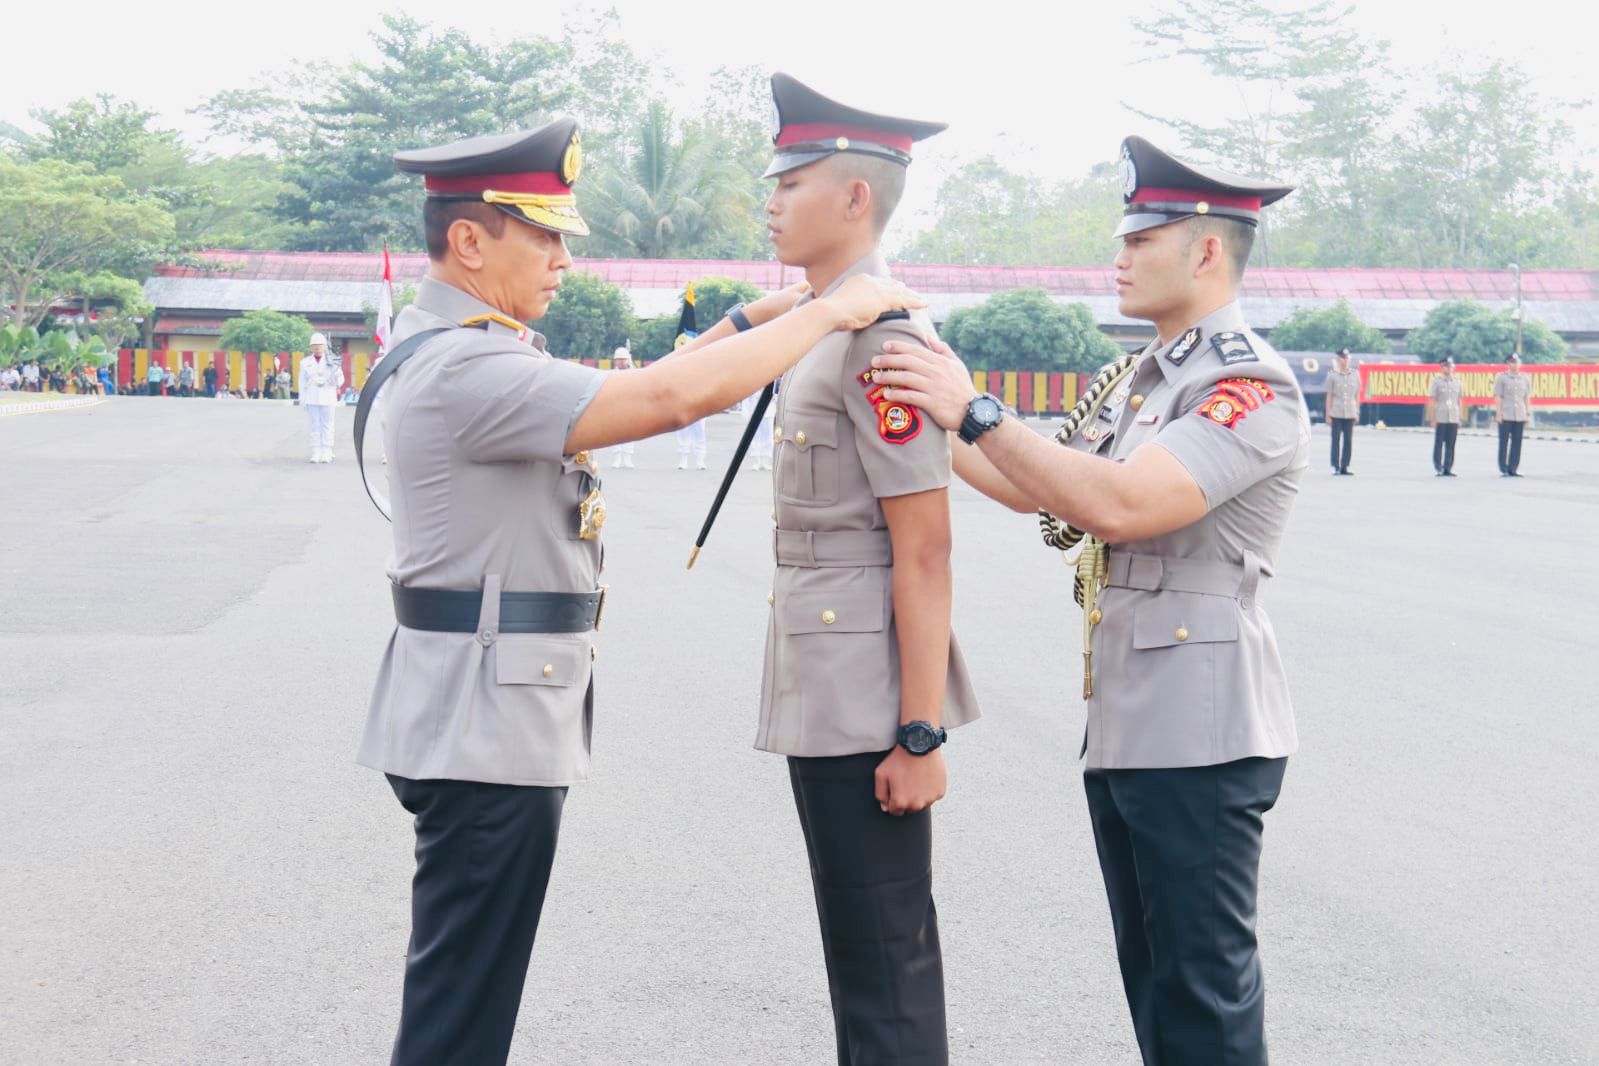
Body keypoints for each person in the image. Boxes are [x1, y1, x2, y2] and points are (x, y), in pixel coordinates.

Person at [358, 117, 922, 1066]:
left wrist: (756, 317)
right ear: (469, 242)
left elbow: (649, 382)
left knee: (463, 989)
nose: (563, 260)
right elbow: (666, 402)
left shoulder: (455, 346)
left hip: (469, 711)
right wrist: (830, 312)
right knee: (461, 1011)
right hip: (482, 725)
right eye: (543, 236)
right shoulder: (472, 364)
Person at [873, 134, 1305, 1066]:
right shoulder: (1149, 378)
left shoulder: (1244, 384)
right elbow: (1034, 485)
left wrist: (974, 409)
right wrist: (922, 394)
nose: (1119, 256)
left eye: (1140, 239)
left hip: (1201, 732)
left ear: (1205, 250)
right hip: (1137, 725)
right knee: (1157, 982)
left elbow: (1122, 504)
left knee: (1201, 994)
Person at [751, 73, 979, 1065]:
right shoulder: (826, 324)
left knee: (885, 962)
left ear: (854, 198)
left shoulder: (880, 337)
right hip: (827, 673)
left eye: (790, 181)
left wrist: (920, 734)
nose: (771, 201)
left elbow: (924, 548)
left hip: (867, 697)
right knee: (860, 951)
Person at [298, 333, 342, 463]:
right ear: (311, 347)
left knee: (327, 425)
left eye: (320, 345)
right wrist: (302, 399)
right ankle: (316, 451)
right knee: (314, 425)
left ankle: (327, 450)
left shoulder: (332, 361)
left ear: (324, 346)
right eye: (315, 345)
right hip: (312, 396)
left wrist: (335, 373)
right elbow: (302, 382)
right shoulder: (305, 363)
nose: (317, 347)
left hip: (328, 396)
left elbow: (340, 379)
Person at [1494, 353, 1532, 476]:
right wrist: (1498, 414)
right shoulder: (1502, 378)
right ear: (1508, 364)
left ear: (1520, 363)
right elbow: (1499, 396)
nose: (1514, 364)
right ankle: (1503, 468)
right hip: (1506, 413)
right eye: (1511, 362)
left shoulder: (1525, 378)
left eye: (1516, 362)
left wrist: (1527, 413)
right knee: (1504, 442)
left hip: (1520, 414)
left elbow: (1526, 397)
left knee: (1517, 442)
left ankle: (1513, 468)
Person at [1325, 347, 1361, 475]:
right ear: (1338, 360)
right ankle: (1335, 465)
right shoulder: (1332, 375)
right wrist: (1328, 413)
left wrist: (1357, 412)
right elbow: (1329, 396)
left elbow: (1357, 395)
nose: (1344, 361)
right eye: (1342, 358)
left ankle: (1345, 466)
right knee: (1335, 440)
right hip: (1336, 412)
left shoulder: (1355, 374)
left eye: (1346, 358)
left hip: (1350, 412)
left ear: (1349, 360)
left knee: (1348, 441)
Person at [1426, 358, 1463, 476]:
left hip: (1453, 416)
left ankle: (1448, 467)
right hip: (1440, 416)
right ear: (1442, 368)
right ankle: (1438, 467)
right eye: (1446, 366)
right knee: (1439, 443)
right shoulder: (1437, 382)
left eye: (1450, 366)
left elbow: (1459, 400)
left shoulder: (1457, 382)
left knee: (1451, 443)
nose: (1448, 368)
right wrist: (1432, 417)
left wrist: (1460, 416)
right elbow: (1432, 400)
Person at [607, 346, 637, 468]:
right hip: (616, 406)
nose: (619, 362)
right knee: (615, 433)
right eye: (618, 360)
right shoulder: (611, 374)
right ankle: (617, 458)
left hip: (631, 406)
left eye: (622, 359)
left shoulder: (634, 373)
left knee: (631, 432)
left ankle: (628, 458)